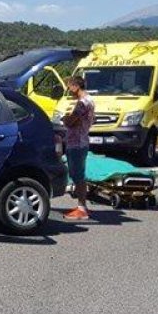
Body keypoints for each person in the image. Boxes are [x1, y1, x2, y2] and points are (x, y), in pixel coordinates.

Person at [61, 75, 95, 220]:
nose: (68, 90)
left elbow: (71, 121)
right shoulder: (89, 100)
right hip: (81, 141)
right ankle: (82, 206)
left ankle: (82, 208)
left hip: (77, 143)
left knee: (77, 175)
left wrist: (64, 119)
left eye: (69, 87)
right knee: (78, 174)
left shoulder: (82, 103)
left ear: (75, 86)